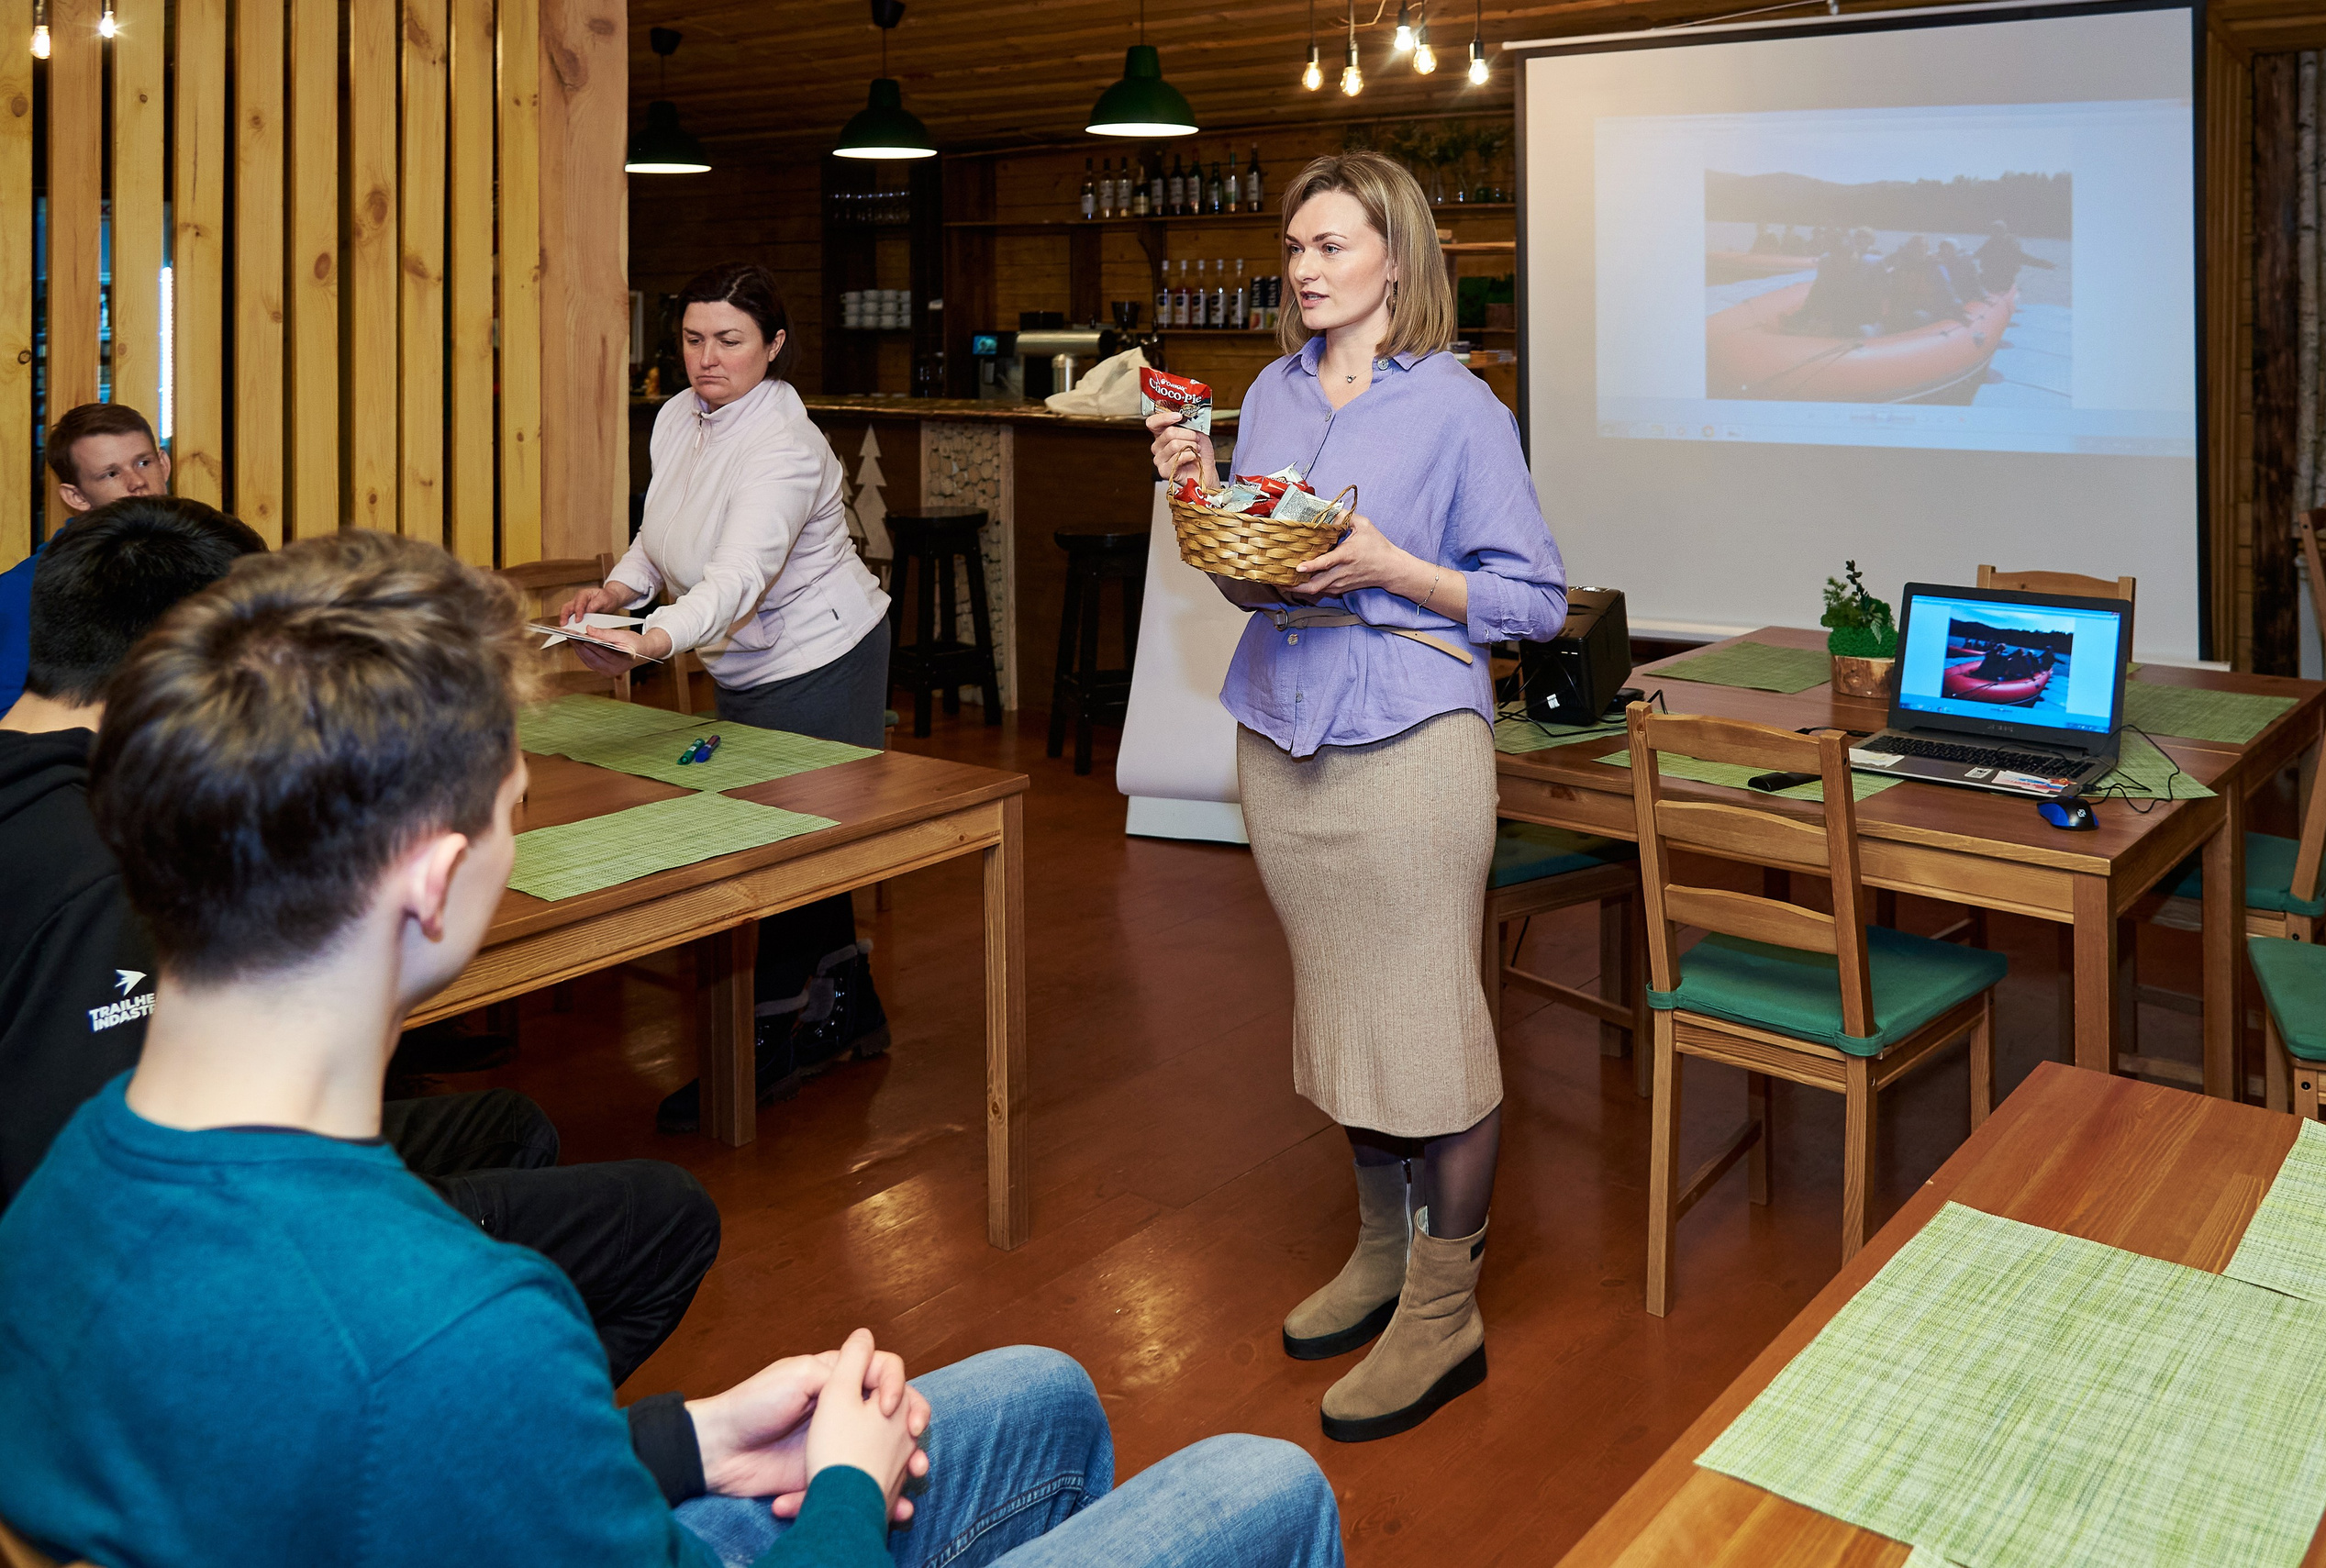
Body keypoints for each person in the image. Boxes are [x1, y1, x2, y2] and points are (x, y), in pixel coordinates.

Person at [0, 528, 1346, 1568]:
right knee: (1264, 1485)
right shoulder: (462, 1327)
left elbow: (393, 1478)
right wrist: (840, 1488)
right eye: (513, 807)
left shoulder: (63, 1190)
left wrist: (688, 1438)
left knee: (1043, 1391)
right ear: (433, 876)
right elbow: (435, 1410)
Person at [0, 498, 718, 1384]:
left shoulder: (82, 798)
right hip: (192, 1266)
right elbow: (109, 1226)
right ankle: (471, 1437)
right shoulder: (107, 868)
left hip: (190, 1194)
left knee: (515, 1123)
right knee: (670, 1214)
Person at [1148, 151, 1567, 1443]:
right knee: (1343, 1012)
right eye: (1295, 248)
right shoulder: (1269, 395)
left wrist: (1393, 565)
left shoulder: (1459, 408)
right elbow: (1252, 576)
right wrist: (1194, 500)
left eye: (1332, 245)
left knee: (1430, 1023)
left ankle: (1446, 1313)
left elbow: (1536, 601)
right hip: (1283, 739)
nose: (1306, 268)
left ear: (1398, 256)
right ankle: (1384, 1253)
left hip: (1412, 744)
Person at [554, 261, 895, 1135]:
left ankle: (764, 1046)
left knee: (781, 846)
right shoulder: (676, 416)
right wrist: (616, 594)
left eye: (731, 342)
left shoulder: (785, 444)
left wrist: (657, 640)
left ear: (774, 347)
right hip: (747, 658)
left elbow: (740, 576)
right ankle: (850, 1011)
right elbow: (660, 535)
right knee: (794, 835)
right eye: (694, 340)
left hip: (823, 655)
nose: (708, 359)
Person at [0, 403, 173, 712]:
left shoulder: (211, 562)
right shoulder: (23, 589)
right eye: (111, 474)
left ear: (164, 464)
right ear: (76, 497)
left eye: (144, 463)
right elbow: (9, 721)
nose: (137, 482)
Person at [1972, 220, 2054, 293]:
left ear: (2003, 231)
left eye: (1997, 230)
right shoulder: (1989, 244)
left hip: (2005, 279)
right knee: (1973, 280)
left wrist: (2043, 264)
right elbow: (1976, 255)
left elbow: (2024, 258)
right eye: (1993, 230)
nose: (1994, 233)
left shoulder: (2010, 245)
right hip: (1989, 276)